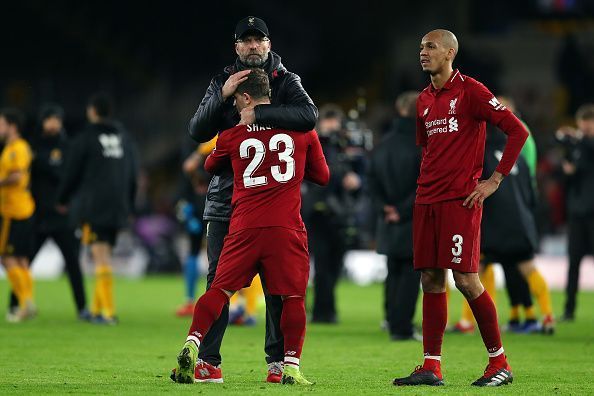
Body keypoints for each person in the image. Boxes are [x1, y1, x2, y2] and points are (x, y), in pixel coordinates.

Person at [172, 69, 329, 385]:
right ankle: (289, 367)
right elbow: (323, 176)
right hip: (286, 228)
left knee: (219, 289)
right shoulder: (303, 133)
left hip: (243, 227)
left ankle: (193, 343)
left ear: (244, 97)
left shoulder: (231, 135)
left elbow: (208, 166)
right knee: (292, 299)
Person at [393, 29, 528, 387]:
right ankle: (431, 367)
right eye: (421, 47)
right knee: (431, 279)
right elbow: (428, 150)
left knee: (466, 280)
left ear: (450, 52)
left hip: (460, 201)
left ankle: (499, 363)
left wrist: (494, 180)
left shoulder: (472, 91)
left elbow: (518, 132)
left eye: (431, 47)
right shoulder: (423, 100)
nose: (423, 53)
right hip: (427, 200)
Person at [56, 93, 138, 325]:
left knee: (99, 256)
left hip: (94, 206)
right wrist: (130, 205)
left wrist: (62, 199)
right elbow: (133, 174)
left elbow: (71, 173)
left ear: (92, 111)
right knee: (105, 254)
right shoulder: (124, 138)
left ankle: (108, 313)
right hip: (118, 205)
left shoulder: (85, 138)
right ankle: (96, 308)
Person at [6, 105, 89, 320]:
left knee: (72, 265)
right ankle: (16, 305)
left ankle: (82, 308)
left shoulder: (66, 147)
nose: (54, 123)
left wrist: (42, 163)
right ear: (43, 121)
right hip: (39, 215)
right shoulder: (32, 146)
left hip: (62, 217)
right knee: (24, 259)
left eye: (57, 120)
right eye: (50, 119)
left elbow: (68, 176)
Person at [368, 91, 421, 340]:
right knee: (411, 275)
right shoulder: (423, 144)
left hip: (387, 219)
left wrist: (385, 208)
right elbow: (424, 185)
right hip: (413, 219)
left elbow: (371, 183)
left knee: (393, 272)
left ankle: (390, 320)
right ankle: (402, 327)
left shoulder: (382, 145)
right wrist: (401, 210)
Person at [0, 108, 36, 322]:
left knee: (7, 257)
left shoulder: (17, 148)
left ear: (11, 126)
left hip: (14, 211)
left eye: (1, 123)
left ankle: (25, 303)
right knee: (20, 259)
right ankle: (27, 303)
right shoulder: (13, 148)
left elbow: (15, 177)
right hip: (20, 208)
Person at [559, 103, 594, 321]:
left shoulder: (585, 143)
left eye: (589, 125)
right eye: (584, 124)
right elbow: (565, 177)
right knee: (573, 262)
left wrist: (578, 140)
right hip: (577, 213)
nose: (586, 128)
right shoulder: (578, 146)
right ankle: (569, 309)